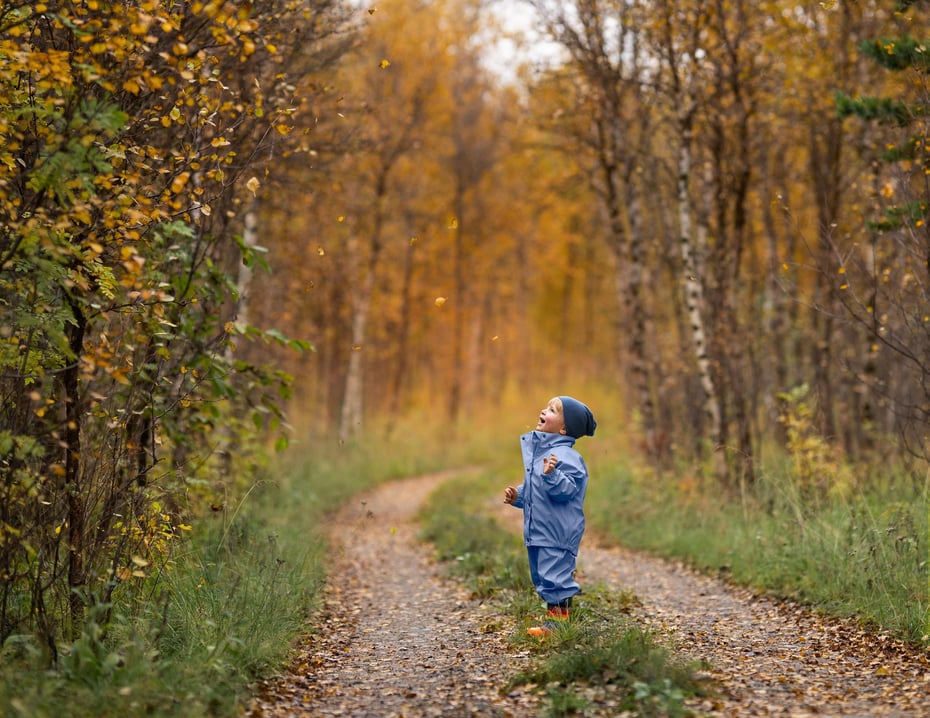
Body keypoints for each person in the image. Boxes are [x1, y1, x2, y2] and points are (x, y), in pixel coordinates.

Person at [504, 395, 596, 636]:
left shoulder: (567, 458)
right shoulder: (541, 456)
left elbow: (567, 491)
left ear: (564, 428)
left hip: (558, 531)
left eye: (552, 410)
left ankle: (559, 626)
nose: (543, 410)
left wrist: (553, 474)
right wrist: (518, 497)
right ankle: (554, 620)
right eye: (546, 406)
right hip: (540, 530)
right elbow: (538, 493)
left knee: (556, 577)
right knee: (543, 577)